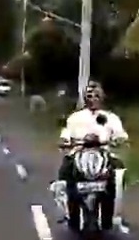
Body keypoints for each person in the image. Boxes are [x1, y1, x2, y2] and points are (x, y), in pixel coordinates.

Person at [51, 82, 129, 223]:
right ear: (85, 98)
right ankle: (67, 209)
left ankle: (115, 212)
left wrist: (119, 140)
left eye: (96, 96)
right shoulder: (75, 117)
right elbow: (66, 134)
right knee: (64, 174)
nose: (93, 99)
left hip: (104, 154)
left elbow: (120, 135)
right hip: (78, 153)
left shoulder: (111, 118)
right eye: (89, 96)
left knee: (119, 174)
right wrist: (64, 141)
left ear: (102, 98)